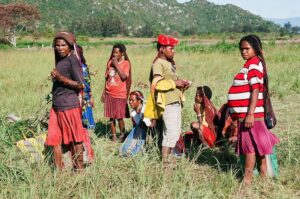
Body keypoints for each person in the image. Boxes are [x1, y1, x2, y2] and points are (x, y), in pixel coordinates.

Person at [227, 34, 280, 185]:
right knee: (258, 146)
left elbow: (255, 90)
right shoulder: (252, 63)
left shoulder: (253, 64)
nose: (243, 52)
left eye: (246, 48)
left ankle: (247, 180)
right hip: (248, 114)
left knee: (249, 147)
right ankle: (263, 176)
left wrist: (250, 114)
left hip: (251, 115)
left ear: (255, 49)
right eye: (241, 49)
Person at [149, 34, 191, 168]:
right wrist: (175, 83)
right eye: (171, 48)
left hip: (175, 101)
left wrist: (182, 84)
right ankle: (165, 163)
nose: (173, 51)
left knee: (174, 132)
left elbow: (170, 82)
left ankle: (170, 158)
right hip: (168, 102)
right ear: (162, 49)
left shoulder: (168, 63)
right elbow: (157, 84)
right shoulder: (158, 63)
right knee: (169, 133)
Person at [45, 31, 85, 171]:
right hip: (57, 105)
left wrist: (61, 78)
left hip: (69, 105)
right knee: (55, 137)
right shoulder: (61, 60)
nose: (60, 48)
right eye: (57, 45)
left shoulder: (73, 60)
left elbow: (80, 84)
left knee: (76, 137)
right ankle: (58, 170)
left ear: (70, 46)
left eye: (63, 45)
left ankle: (79, 169)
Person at [102, 44, 131, 142]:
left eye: (116, 52)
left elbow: (124, 77)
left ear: (122, 53)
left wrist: (116, 65)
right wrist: (104, 92)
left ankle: (122, 135)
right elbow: (107, 79)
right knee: (111, 117)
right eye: (113, 52)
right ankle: (113, 136)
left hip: (120, 94)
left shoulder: (126, 63)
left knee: (119, 117)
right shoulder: (109, 62)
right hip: (109, 93)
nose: (114, 54)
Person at [77, 45, 95, 164]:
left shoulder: (83, 67)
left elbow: (87, 83)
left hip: (84, 96)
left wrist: (89, 95)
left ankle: (89, 141)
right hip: (77, 97)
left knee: (86, 119)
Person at [119, 91, 150, 156]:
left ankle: (136, 150)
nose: (130, 102)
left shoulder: (145, 109)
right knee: (123, 149)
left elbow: (147, 126)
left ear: (139, 101)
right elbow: (135, 127)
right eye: (129, 100)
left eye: (133, 100)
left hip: (150, 130)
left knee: (140, 126)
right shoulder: (133, 113)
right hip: (141, 131)